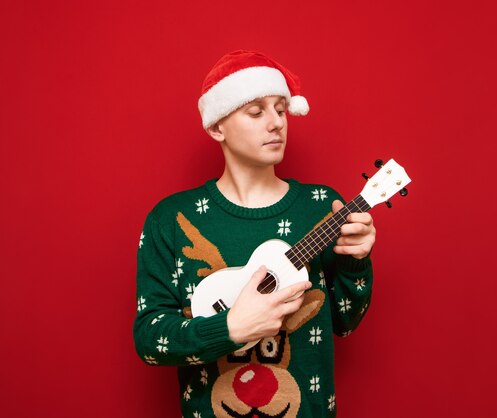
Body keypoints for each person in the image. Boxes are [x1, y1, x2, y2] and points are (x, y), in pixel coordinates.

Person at [134, 50, 376, 418]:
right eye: (256, 111)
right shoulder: (170, 218)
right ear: (217, 127)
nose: (276, 123)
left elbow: (345, 321)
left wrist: (356, 262)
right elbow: (151, 340)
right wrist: (230, 327)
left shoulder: (321, 206)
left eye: (281, 109)